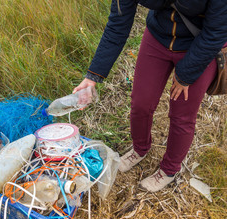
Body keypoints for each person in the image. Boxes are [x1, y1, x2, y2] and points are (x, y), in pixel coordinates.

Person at [73, 0, 227, 192]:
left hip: (199, 44)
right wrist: (93, 76)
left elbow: (216, 32)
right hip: (158, 38)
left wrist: (185, 75)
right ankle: (139, 149)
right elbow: (117, 26)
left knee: (182, 116)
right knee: (141, 103)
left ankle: (169, 170)